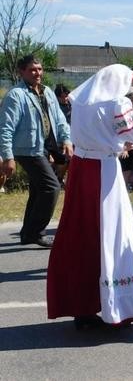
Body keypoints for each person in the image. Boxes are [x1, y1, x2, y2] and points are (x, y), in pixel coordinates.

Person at [47, 64, 133, 329]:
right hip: (104, 172)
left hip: (81, 167)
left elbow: (109, 126)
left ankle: (84, 305)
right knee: (111, 235)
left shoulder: (81, 101)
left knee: (83, 235)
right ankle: (116, 304)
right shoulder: (116, 103)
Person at [0, 55, 71, 248]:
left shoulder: (47, 92)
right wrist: (7, 157)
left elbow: (59, 119)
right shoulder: (16, 95)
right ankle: (35, 232)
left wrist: (66, 139)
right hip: (26, 150)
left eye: (39, 69)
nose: (37, 73)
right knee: (51, 187)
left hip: (44, 147)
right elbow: (5, 128)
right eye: (32, 70)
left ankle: (27, 233)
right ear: (21, 72)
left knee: (38, 190)